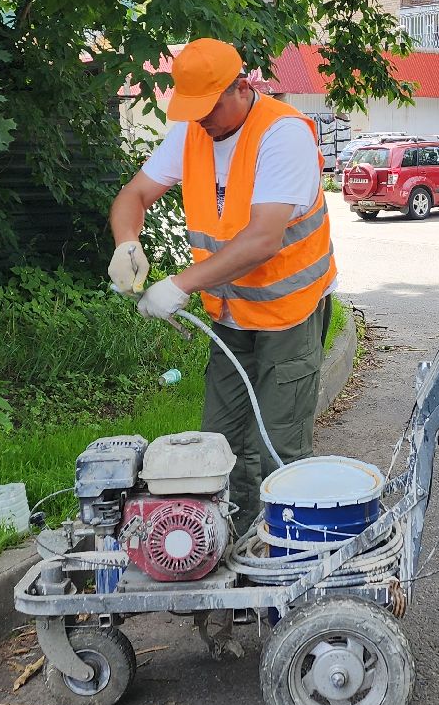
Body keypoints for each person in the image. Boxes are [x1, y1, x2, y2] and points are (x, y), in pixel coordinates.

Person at [107, 38, 335, 533]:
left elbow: (262, 239)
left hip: (287, 316)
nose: (202, 119)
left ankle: (287, 558)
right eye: (194, 109)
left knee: (279, 444)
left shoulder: (282, 134)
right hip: (230, 317)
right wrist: (127, 243)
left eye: (209, 107)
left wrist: (180, 284)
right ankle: (234, 544)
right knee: (221, 443)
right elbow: (135, 194)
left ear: (242, 86)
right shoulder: (192, 134)